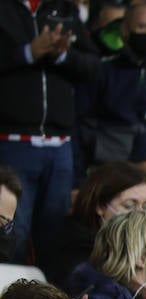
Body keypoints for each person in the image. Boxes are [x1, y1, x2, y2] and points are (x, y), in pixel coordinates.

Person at [0, 0, 96, 263]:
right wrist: (28, 53)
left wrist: (62, 55)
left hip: (61, 146)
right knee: (12, 233)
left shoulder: (65, 8)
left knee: (54, 238)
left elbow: (95, 66)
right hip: (12, 144)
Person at [81, 1, 146, 167]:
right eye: (143, 27)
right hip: (102, 163)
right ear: (124, 29)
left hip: (144, 163)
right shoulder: (101, 65)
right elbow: (81, 122)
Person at [45, 162, 146, 293]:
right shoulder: (74, 251)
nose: (139, 215)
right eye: (129, 206)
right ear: (100, 206)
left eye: (145, 207)